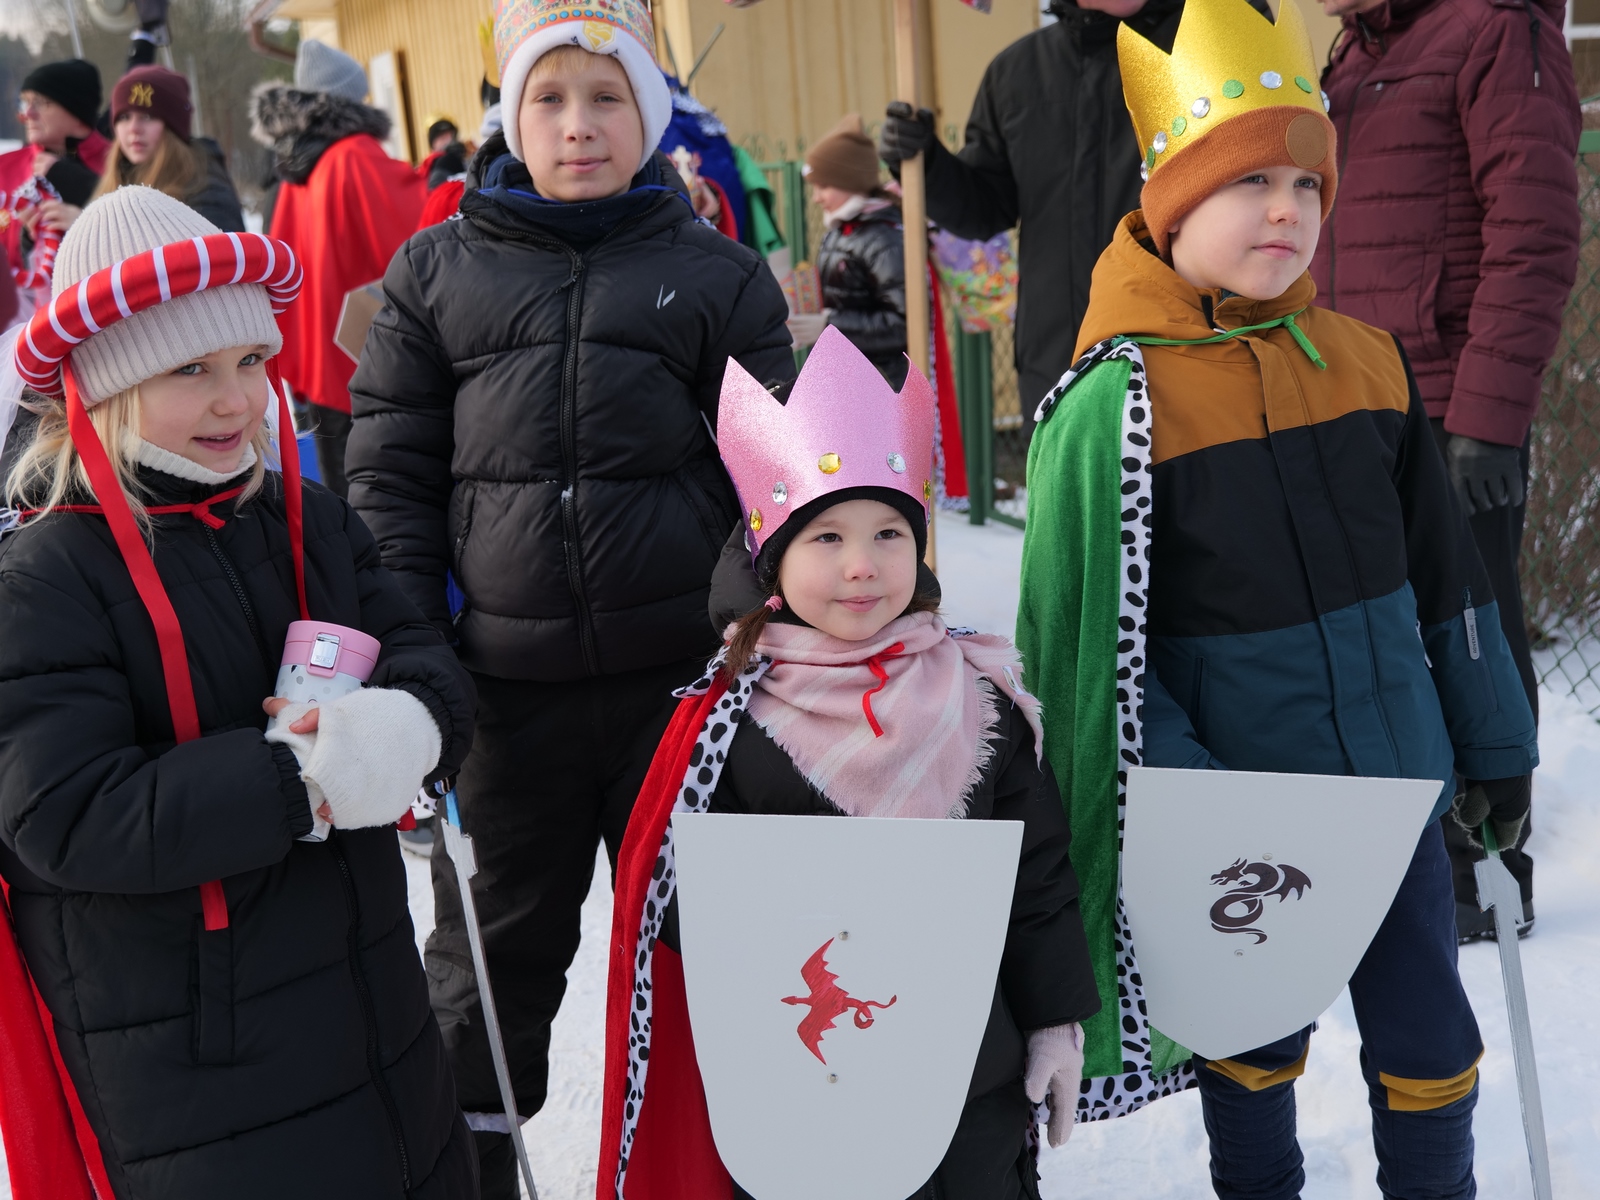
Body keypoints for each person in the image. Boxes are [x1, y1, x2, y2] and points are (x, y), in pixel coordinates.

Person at [1017, 0, 1538, 1192]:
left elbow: (1448, 583)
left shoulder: (1367, 361)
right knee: (1251, 1047)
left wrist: (1494, 744)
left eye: (1306, 185)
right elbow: (1102, 650)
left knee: (1430, 1044)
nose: (1285, 210)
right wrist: (1197, 797)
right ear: (1171, 204)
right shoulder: (1117, 404)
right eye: (1248, 182)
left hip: (1395, 795)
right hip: (1245, 821)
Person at [344, 1, 794, 1193]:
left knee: (716, 956)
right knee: (485, 987)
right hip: (505, 703)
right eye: (548, 99)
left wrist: (750, 617)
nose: (578, 125)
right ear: (510, 115)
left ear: (648, 117)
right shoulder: (435, 274)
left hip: (680, 701)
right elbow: (389, 478)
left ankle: (727, 1166)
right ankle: (476, 1168)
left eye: (607, 99)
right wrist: (415, 655)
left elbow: (777, 478)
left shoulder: (715, 276)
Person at [0, 185, 478, 1198]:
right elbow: (66, 813)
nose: (238, 400)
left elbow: (424, 659)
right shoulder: (45, 579)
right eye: (191, 370)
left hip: (378, 1024)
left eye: (252, 360)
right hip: (199, 1075)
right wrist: (298, 779)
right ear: (105, 385)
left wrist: (403, 727)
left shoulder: (308, 521)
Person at [598, 325, 1100, 1198]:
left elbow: (1037, 875)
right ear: (773, 560)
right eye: (827, 539)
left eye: (889, 534)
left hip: (967, 1077)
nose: (863, 566)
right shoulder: (729, 724)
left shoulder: (977, 699)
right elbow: (683, 915)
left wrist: (1056, 1020)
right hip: (805, 1083)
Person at [1310, 0, 1579, 943]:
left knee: (1470, 642)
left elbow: (1534, 230)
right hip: (1358, 405)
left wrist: (1489, 424)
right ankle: (1408, 862)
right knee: (1378, 644)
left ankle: (1484, 874)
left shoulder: (1494, 28)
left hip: (1453, 415)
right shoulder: (1355, 53)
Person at [878, 0, 1185, 423]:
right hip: (1055, 365)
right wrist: (925, 162)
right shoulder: (1017, 72)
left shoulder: (1211, 40)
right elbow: (985, 207)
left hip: (1183, 356)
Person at [250, 39, 425, 499]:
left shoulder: (297, 166)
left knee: (338, 484)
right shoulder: (354, 153)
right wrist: (440, 178)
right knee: (378, 484)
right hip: (360, 351)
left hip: (318, 349)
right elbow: (411, 225)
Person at [796, 114, 907, 388]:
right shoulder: (840, 232)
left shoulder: (884, 239)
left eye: (823, 186)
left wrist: (829, 325)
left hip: (881, 382)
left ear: (850, 181)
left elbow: (901, 325)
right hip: (848, 379)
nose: (816, 198)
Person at [76, 66, 246, 232]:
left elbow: (217, 247)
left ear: (173, 128)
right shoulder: (115, 180)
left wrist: (101, 233)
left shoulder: (205, 186)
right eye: (124, 117)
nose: (134, 128)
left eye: (147, 116)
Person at [0, 59, 109, 308]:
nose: (27, 114)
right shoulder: (3, 170)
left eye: (41, 102)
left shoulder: (121, 165)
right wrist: (28, 242)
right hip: (22, 322)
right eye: (25, 102)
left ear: (75, 109)